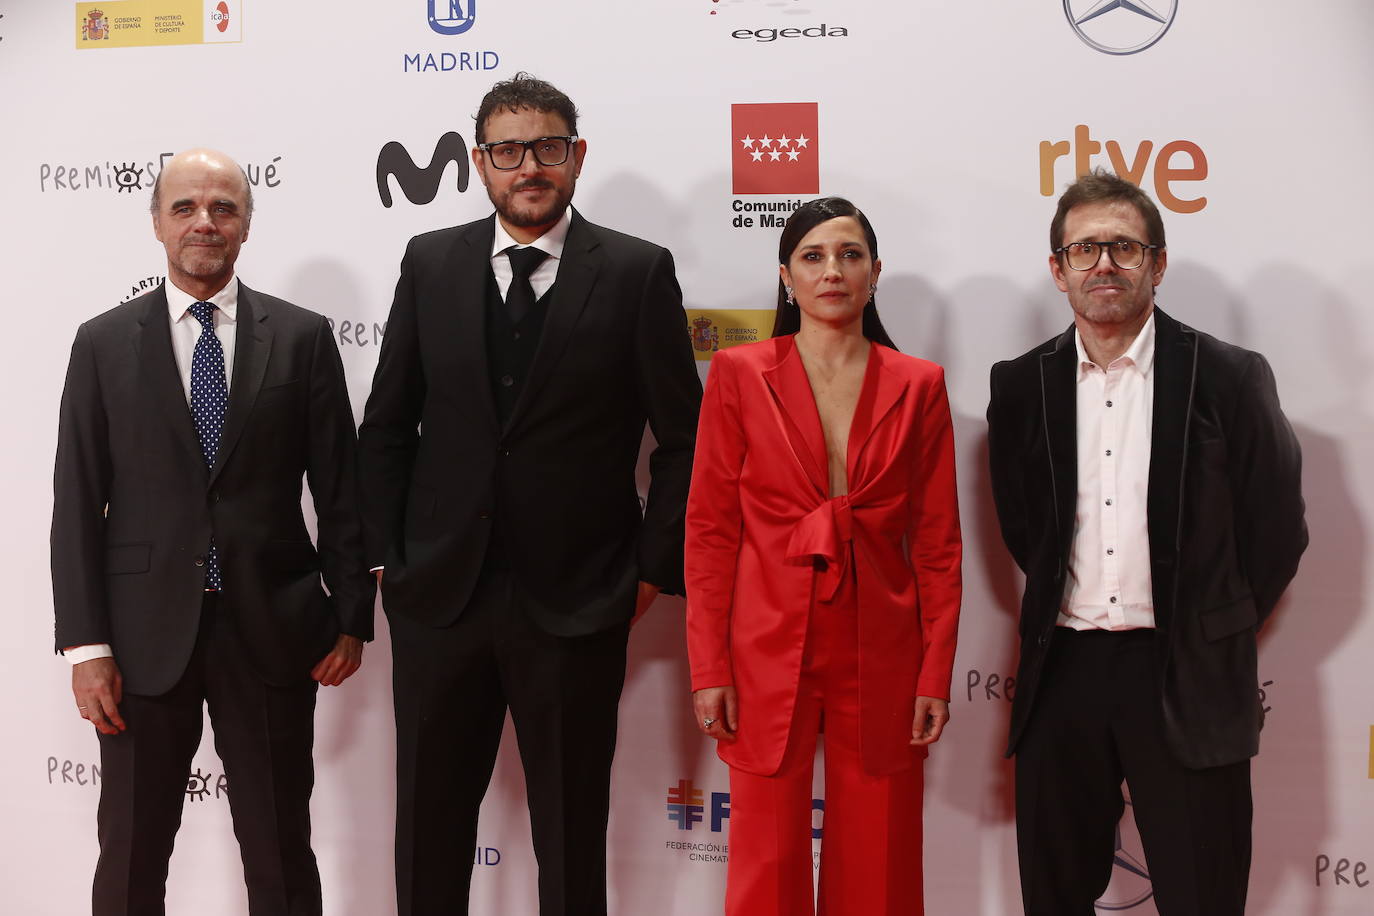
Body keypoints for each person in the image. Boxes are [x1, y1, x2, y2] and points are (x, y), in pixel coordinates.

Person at [358, 73, 702, 915]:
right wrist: (385, 559)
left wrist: (651, 566)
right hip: (440, 597)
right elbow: (388, 425)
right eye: (508, 151)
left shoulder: (633, 271)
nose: (529, 167)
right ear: (481, 163)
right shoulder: (430, 262)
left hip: (579, 598)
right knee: (427, 830)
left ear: (576, 156)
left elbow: (687, 440)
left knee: (572, 831)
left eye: (548, 147)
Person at [51, 148, 375, 915]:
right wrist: (87, 647)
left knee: (279, 851)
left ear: (247, 226)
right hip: (137, 641)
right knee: (130, 856)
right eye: (186, 207)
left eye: (224, 208)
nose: (205, 222)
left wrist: (353, 616)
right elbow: (76, 500)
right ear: (157, 223)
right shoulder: (102, 343)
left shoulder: (301, 337)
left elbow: (341, 489)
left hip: (271, 628)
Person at [986, 169, 1307, 916]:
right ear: (1057, 269)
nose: (1104, 264)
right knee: (1054, 895)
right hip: (1061, 674)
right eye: (1085, 249)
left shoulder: (1228, 377)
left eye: (1125, 248)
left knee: (1202, 895)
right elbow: (1022, 524)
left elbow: (1277, 531)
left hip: (1184, 675)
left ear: (1157, 264)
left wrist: (1209, 625)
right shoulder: (1019, 384)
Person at [685, 197, 962, 916]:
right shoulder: (741, 375)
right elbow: (711, 530)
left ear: (875, 273)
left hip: (883, 643)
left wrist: (935, 671)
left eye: (849, 255)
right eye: (813, 256)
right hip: (765, 640)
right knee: (766, 861)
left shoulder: (920, 384)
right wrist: (709, 665)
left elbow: (937, 543)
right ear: (786, 277)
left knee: (881, 858)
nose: (832, 270)